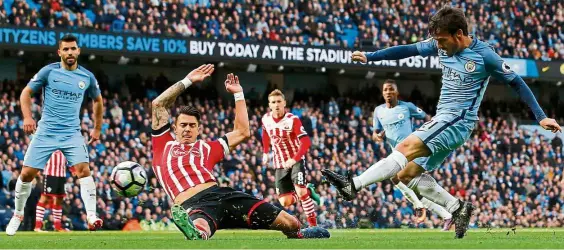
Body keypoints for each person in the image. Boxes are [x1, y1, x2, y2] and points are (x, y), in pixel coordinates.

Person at [322, 6, 561, 239]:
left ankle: (353, 185)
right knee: (405, 175)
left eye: (442, 40)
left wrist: (541, 117)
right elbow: (407, 50)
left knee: (403, 149)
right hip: (443, 119)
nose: (438, 45)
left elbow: (517, 82)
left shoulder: (484, 55)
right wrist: (371, 56)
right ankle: (456, 208)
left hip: (457, 120)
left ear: (459, 35)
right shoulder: (441, 45)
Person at [151, 64, 329, 240]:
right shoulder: (163, 145)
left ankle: (301, 234)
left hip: (224, 195)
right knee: (201, 224)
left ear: (198, 129)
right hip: (193, 203)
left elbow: (243, 132)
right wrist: (188, 80)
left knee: (290, 223)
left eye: (192, 125)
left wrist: (238, 94)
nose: (187, 129)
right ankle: (197, 233)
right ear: (174, 128)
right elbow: (158, 104)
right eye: (183, 125)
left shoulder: (208, 148)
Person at [6, 34, 104, 236]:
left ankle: (92, 215)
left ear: (78, 51)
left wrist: (97, 128)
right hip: (46, 132)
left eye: (73, 49)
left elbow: (98, 100)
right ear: (59, 52)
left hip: (71, 133)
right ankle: (17, 215)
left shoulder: (87, 77)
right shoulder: (48, 71)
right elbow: (26, 93)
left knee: (84, 170)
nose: (70, 52)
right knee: (26, 174)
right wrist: (27, 117)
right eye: (66, 49)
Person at [371, 79, 453, 230]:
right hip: (396, 153)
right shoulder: (378, 111)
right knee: (414, 185)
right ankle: (447, 215)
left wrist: (425, 135)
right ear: (382, 93)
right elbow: (375, 133)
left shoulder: (407, 107)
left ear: (397, 92)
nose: (388, 92)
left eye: (391, 89)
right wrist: (377, 136)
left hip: (412, 151)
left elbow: (427, 118)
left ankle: (422, 207)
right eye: (385, 90)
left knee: (397, 177)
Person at [261, 89, 320, 227]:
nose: (276, 105)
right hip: (280, 164)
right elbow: (265, 135)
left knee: (300, 191)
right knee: (285, 202)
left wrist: (294, 159)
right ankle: (309, 191)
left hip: (296, 160)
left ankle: (313, 226)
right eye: (273, 102)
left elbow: (306, 142)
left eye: (279, 102)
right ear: (269, 105)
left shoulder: (292, 120)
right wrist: (265, 152)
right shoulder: (266, 119)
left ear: (284, 103)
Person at [35, 150, 73, 232]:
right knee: (44, 198)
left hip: (62, 175)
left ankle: (57, 227)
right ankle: (37, 226)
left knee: (59, 200)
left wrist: (72, 168)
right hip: (50, 174)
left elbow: (69, 155)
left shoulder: (66, 142)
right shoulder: (49, 140)